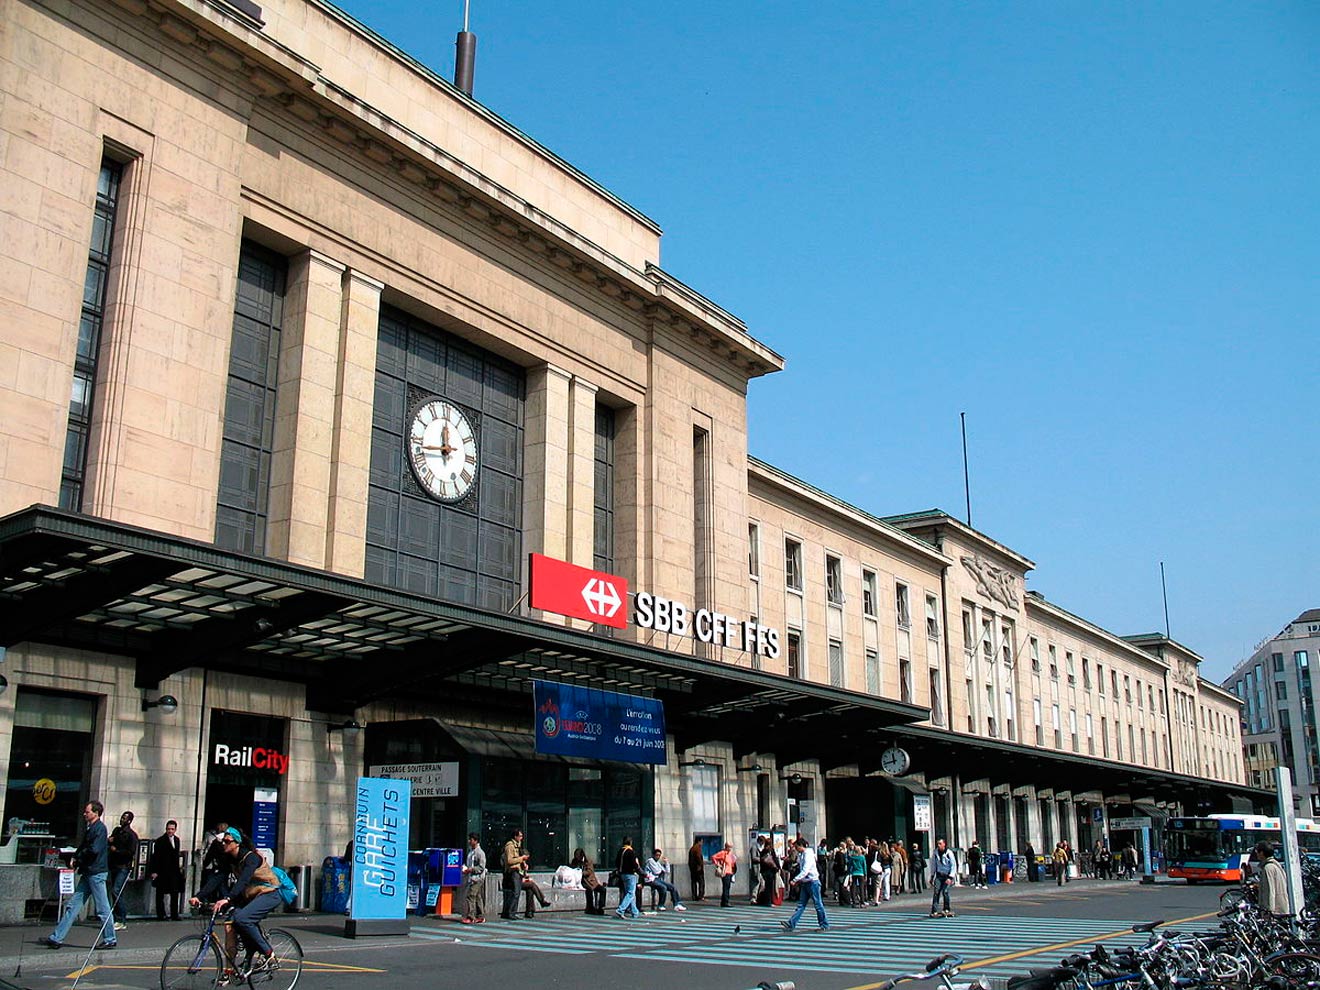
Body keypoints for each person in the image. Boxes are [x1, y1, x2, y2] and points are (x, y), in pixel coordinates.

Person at [189, 827, 280, 979]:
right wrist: (198, 896)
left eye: (227, 841)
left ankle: (269, 954)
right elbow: (217, 879)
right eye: (223, 841)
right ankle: (230, 971)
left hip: (268, 893)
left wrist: (228, 898)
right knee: (230, 923)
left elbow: (243, 880)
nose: (223, 844)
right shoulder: (229, 859)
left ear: (236, 843)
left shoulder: (251, 858)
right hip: (250, 896)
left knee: (243, 919)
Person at [44, 801, 116, 950]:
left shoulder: (99, 829)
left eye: (87, 811)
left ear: (96, 813)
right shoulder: (92, 828)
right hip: (89, 871)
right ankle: (56, 938)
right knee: (73, 906)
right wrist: (77, 857)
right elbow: (86, 847)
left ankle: (110, 938)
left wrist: (78, 858)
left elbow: (93, 850)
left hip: (96, 873)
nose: (85, 814)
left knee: (103, 908)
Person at [780, 836, 829, 932]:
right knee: (801, 904)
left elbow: (805, 870)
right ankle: (791, 923)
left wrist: (795, 880)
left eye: (797, 847)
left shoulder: (808, 854)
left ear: (801, 846)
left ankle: (824, 924)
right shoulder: (802, 855)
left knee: (818, 904)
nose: (796, 849)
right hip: (805, 882)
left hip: (812, 882)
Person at [107, 810, 139, 931]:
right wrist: (110, 841)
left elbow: (130, 852)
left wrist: (117, 851)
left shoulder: (131, 835)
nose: (122, 820)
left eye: (125, 818)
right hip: (114, 865)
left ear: (129, 821)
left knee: (116, 890)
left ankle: (121, 918)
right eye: (122, 817)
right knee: (115, 891)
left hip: (124, 866)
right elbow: (111, 841)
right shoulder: (117, 831)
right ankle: (116, 917)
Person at [150, 819, 186, 921]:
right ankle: (161, 914)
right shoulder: (160, 841)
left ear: (175, 830)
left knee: (175, 893)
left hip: (174, 871)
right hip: (162, 870)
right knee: (160, 893)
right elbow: (156, 857)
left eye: (172, 829)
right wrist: (154, 871)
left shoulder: (177, 840)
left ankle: (174, 914)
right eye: (168, 829)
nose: (170, 831)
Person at [499, 829, 528, 920]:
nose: (521, 838)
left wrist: (523, 863)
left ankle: (511, 912)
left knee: (516, 892)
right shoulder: (510, 846)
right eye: (520, 836)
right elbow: (509, 860)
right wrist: (521, 858)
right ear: (515, 837)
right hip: (513, 871)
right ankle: (511, 912)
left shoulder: (518, 846)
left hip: (518, 871)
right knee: (515, 892)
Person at [517, 844, 552, 918]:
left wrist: (525, 873)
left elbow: (523, 875)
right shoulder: (518, 863)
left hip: (521, 881)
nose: (526, 860)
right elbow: (517, 876)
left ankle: (529, 911)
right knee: (532, 885)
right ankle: (542, 900)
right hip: (516, 882)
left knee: (530, 890)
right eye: (525, 858)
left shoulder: (524, 864)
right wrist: (525, 878)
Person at [1255, 842, 1289, 916]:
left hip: (1275, 910)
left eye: (1257, 851)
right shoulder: (1276, 865)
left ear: (1262, 853)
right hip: (1282, 907)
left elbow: (1269, 891)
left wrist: (1268, 911)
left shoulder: (1268, 868)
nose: (1256, 854)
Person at [460, 832, 486, 924]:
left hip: (477, 878)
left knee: (471, 895)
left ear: (475, 841)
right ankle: (481, 916)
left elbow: (481, 867)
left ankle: (471, 917)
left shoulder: (480, 853)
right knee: (478, 897)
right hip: (471, 877)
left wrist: (471, 870)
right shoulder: (471, 852)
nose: (469, 841)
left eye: (471, 839)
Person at [572, 848, 606, 915]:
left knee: (603, 890)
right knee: (589, 890)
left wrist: (581, 873)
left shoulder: (588, 861)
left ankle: (601, 907)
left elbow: (590, 871)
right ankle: (590, 908)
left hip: (590, 881)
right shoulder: (575, 861)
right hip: (582, 881)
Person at [614, 837, 642, 919]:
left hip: (622, 874)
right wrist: (639, 870)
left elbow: (616, 862)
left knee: (630, 893)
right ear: (630, 842)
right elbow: (634, 864)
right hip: (630, 874)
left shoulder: (620, 851)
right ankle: (621, 909)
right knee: (630, 893)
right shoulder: (630, 851)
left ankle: (635, 912)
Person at [929, 837, 955, 918]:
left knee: (945, 892)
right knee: (936, 892)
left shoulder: (949, 853)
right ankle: (934, 910)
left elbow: (953, 865)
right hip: (939, 875)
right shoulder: (935, 853)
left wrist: (950, 877)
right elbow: (933, 864)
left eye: (940, 844)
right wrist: (932, 876)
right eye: (937, 844)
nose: (938, 845)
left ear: (944, 844)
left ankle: (946, 909)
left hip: (947, 875)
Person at [711, 841, 737, 907]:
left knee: (727, 887)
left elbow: (732, 863)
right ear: (726, 847)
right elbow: (713, 857)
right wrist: (718, 864)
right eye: (729, 847)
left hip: (730, 872)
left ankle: (724, 901)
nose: (730, 849)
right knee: (726, 887)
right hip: (725, 872)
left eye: (731, 847)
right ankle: (725, 902)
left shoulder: (730, 854)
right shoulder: (723, 853)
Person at [756, 836, 780, 906]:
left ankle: (769, 901)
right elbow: (773, 860)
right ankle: (768, 901)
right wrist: (776, 866)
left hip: (768, 870)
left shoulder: (767, 851)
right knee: (769, 886)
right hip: (768, 870)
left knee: (769, 886)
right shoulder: (767, 851)